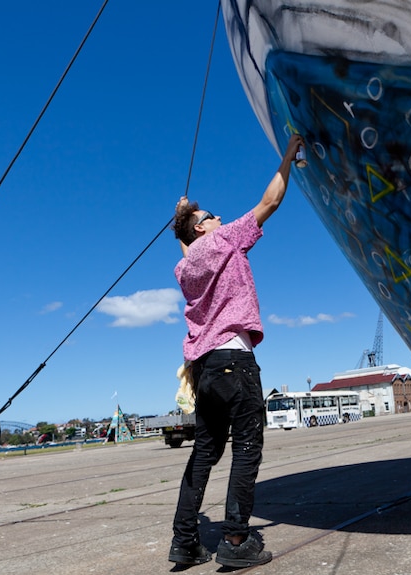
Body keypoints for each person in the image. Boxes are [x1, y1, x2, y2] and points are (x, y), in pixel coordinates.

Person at [168, 134, 305, 568]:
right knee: (248, 447)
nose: (220, 216)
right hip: (234, 360)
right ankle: (235, 540)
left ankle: (185, 541)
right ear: (203, 228)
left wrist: (181, 221)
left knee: (204, 452)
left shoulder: (183, 266)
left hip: (204, 368)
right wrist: (287, 156)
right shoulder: (225, 238)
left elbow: (187, 248)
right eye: (211, 215)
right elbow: (270, 203)